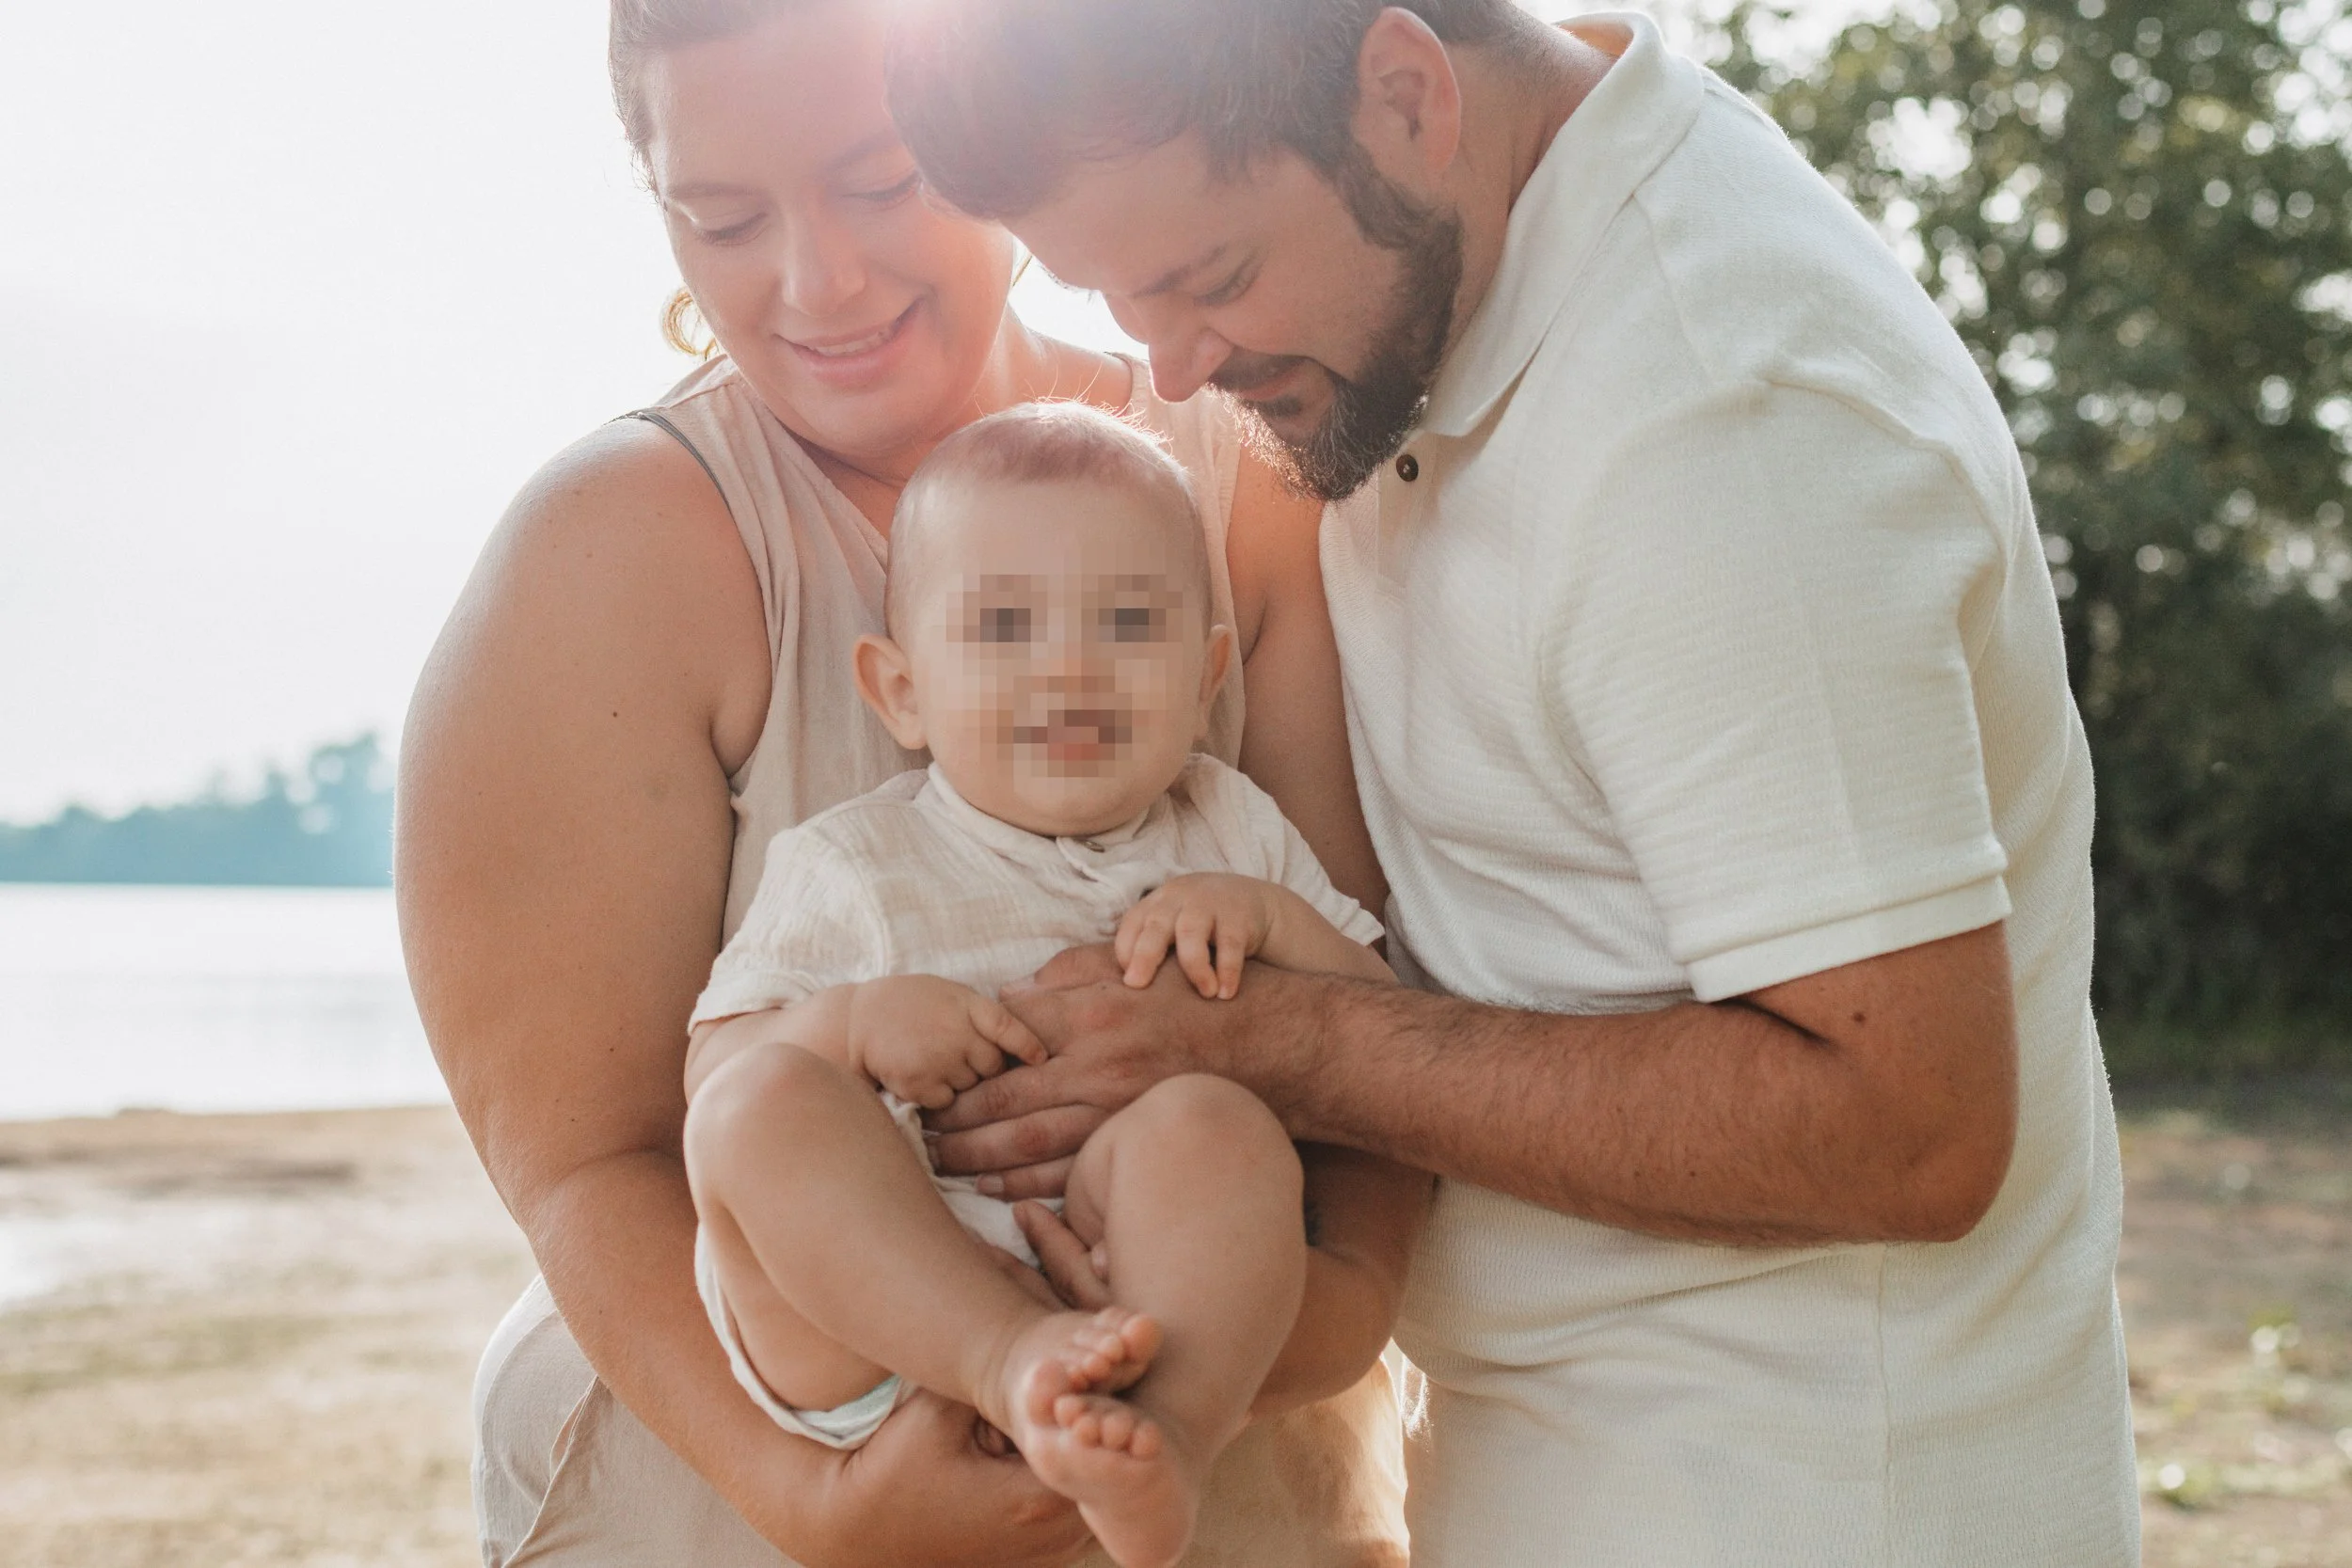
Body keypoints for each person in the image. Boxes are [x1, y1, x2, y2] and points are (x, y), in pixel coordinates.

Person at [886, 2, 2141, 1563]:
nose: (1173, 363)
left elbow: (1911, 1121)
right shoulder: (1467, 256)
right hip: (1565, 1466)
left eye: (1210, 276)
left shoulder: (1723, 427)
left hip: (1798, 1497)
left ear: (1410, 92)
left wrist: (1286, 1039)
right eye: (1115, 296)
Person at [396, 2, 1422, 1564]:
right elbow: (589, 1158)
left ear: (991, 142)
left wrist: (1280, 1337)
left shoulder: (1237, 481)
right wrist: (821, 1500)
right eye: (723, 216)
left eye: (880, 183)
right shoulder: (617, 547)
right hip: (756, 1484)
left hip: (1213, 1464)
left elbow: (1374, 1044)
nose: (822, 280)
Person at [684, 403, 1406, 1568]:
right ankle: (1009, 1360)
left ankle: (1160, 1433)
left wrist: (1273, 921)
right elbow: (713, 1081)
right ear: (901, 691)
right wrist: (853, 1026)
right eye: (1005, 624)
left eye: (1127, 621)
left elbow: (1388, 1034)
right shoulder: (854, 862)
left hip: (1154, 1299)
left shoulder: (1229, 827)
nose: (1069, 665)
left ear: (1205, 670)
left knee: (1212, 1126)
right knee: (757, 1108)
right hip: (893, 1313)